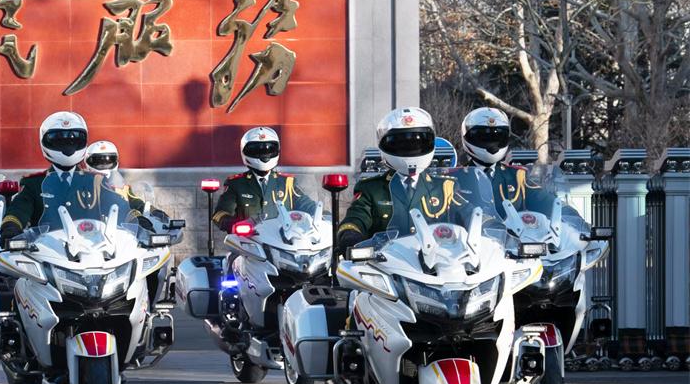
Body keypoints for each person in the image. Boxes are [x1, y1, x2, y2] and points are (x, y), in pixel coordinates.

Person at [337, 107, 466, 250]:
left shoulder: (446, 188)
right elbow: (356, 217)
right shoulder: (371, 189)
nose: (410, 148)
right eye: (401, 144)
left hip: (437, 259)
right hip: (387, 260)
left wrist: (482, 224)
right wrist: (350, 234)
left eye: (417, 142)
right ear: (385, 145)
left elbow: (469, 214)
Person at [0, 112, 132, 246]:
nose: (68, 145)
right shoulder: (34, 184)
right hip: (47, 252)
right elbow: (17, 211)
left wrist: (138, 221)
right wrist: (10, 228)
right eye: (60, 141)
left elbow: (120, 206)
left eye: (73, 140)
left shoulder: (95, 182)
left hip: (91, 249)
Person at [458, 107, 567, 218]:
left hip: (512, 230)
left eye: (497, 136)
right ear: (467, 137)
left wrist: (571, 216)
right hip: (471, 229)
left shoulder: (517, 177)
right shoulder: (456, 178)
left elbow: (547, 201)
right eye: (484, 137)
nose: (492, 143)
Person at [211, 126, 317, 232]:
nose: (264, 154)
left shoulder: (287, 183)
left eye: (269, 149)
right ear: (245, 151)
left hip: (282, 239)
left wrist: (323, 215)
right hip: (249, 239)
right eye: (257, 150)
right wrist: (235, 224)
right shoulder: (236, 184)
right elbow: (219, 214)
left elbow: (308, 206)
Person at [83, 140, 145, 215]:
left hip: (117, 221)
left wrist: (149, 209)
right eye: (98, 162)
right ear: (88, 162)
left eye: (108, 161)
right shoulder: (81, 184)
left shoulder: (122, 188)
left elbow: (135, 201)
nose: (104, 165)